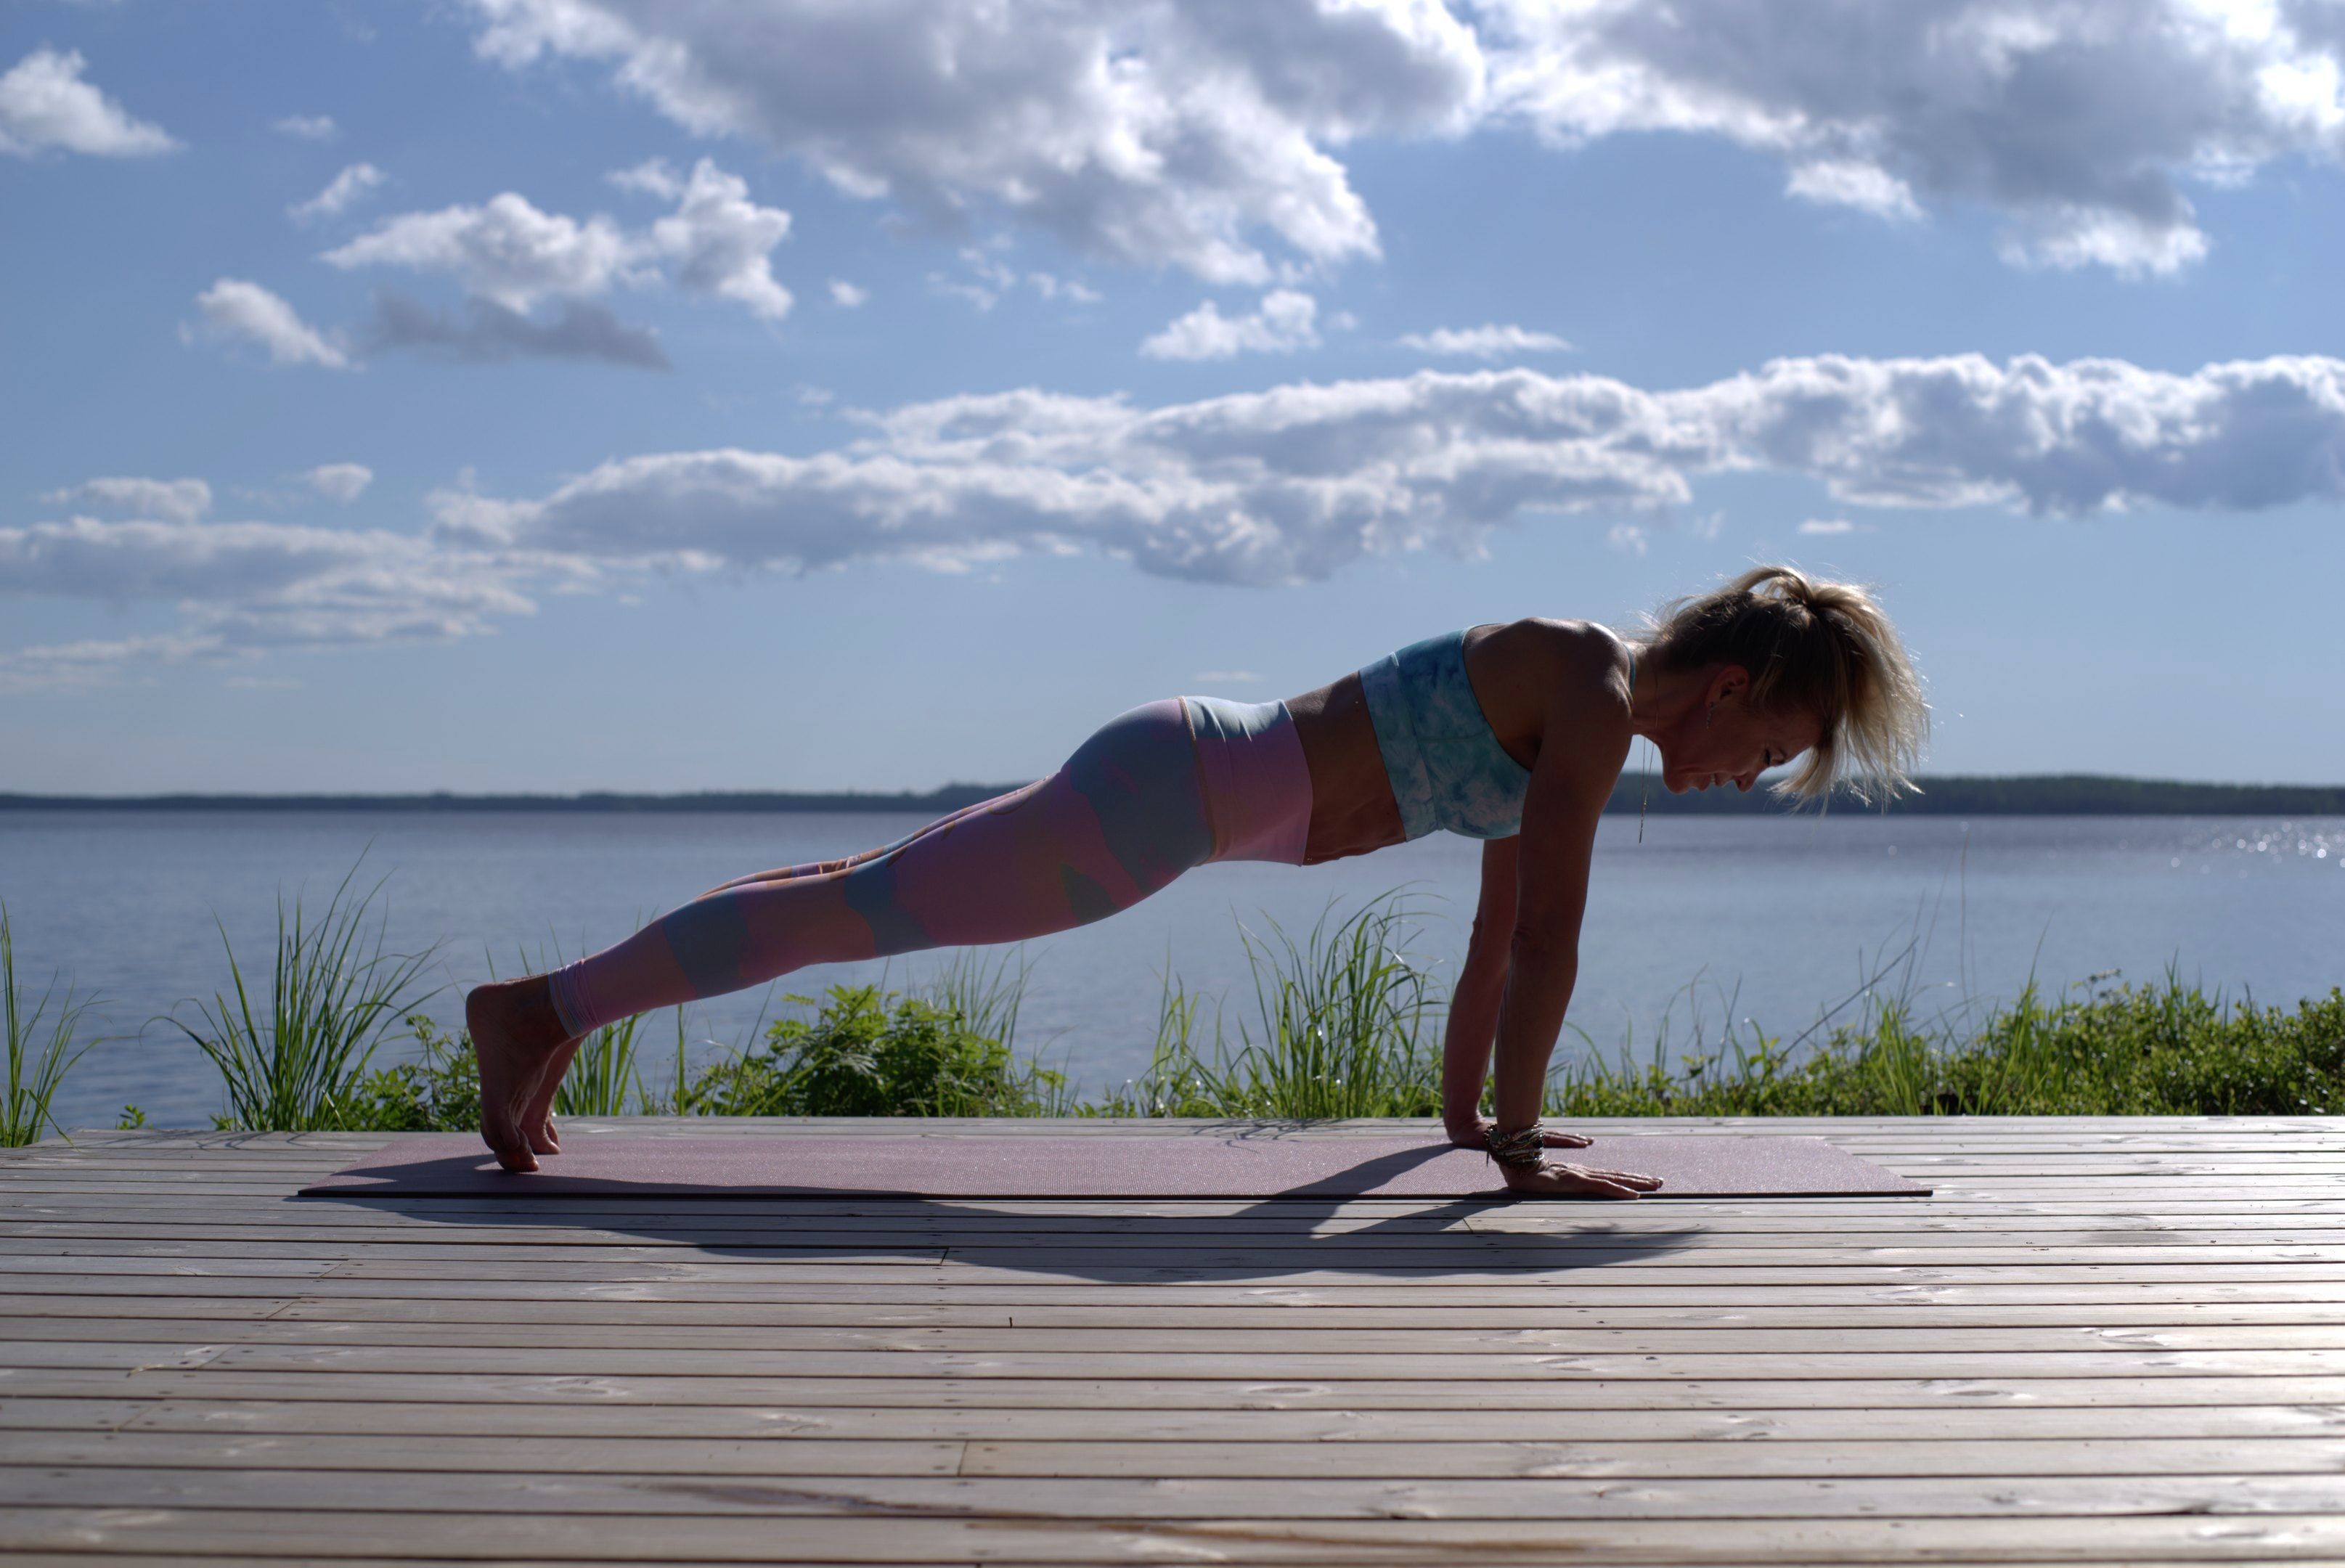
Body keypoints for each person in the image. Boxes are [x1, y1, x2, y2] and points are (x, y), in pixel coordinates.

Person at [466, 565, 1927, 1193]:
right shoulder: (1593, 691)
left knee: (863, 892)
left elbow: (1496, 939)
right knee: (860, 912)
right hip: (1176, 795)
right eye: (1774, 745)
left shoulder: (1577, 703)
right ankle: (543, 1009)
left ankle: (553, 1011)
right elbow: (1551, 934)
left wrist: (1472, 1119)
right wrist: (1530, 1148)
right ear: (1731, 685)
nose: (1751, 775)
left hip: (1181, 787)